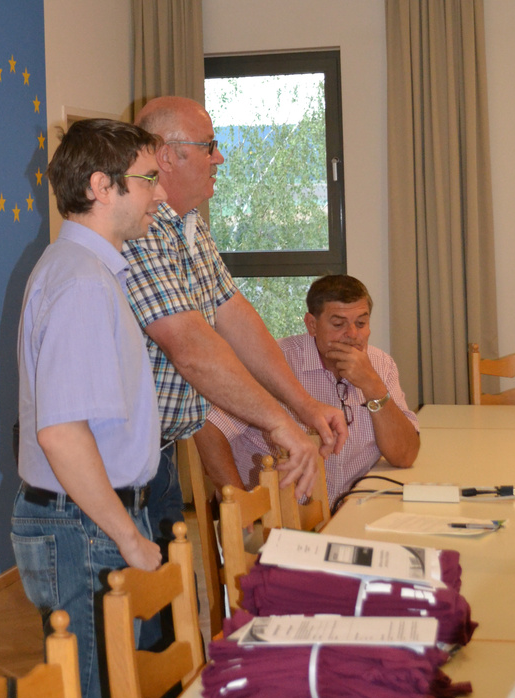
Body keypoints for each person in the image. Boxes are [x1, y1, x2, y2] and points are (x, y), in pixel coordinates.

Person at [122, 96, 349, 558]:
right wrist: (279, 422)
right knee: (134, 599)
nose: (219, 157)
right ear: (167, 155)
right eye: (209, 145)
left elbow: (235, 317)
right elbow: (191, 349)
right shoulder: (141, 230)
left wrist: (303, 405)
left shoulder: (189, 226)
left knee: (166, 594)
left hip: (155, 455)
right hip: (115, 459)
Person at [10, 119, 165, 698]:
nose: (159, 194)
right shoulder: (81, 281)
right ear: (103, 186)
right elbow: (62, 435)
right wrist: (127, 535)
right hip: (84, 525)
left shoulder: (87, 270)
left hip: (86, 518)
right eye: (148, 179)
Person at [202, 274, 420, 509]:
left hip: (354, 512)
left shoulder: (381, 365)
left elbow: (405, 456)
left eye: (360, 323)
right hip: (276, 516)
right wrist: (240, 504)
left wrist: (373, 386)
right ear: (312, 325)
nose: (352, 335)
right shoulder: (273, 363)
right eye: (338, 324)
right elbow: (209, 427)